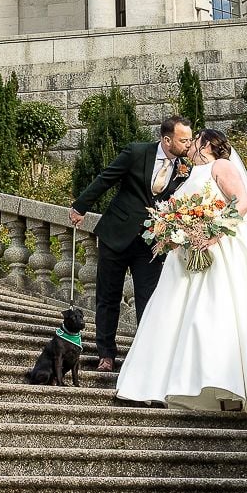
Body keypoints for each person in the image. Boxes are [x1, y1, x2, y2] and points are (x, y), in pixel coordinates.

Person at [114, 127, 247, 421]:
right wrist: (173, 232)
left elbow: (241, 203)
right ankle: (166, 384)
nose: (191, 145)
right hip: (186, 256)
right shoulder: (190, 173)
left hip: (220, 252)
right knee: (174, 318)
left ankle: (227, 386)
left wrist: (212, 233)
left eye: (195, 140)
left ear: (206, 143)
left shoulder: (221, 166)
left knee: (212, 318)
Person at [69, 115, 194, 370]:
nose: (189, 144)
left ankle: (145, 357)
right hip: (116, 234)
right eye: (184, 140)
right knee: (108, 297)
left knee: (148, 300)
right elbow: (106, 178)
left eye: (190, 140)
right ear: (167, 140)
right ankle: (106, 355)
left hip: (151, 243)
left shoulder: (186, 169)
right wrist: (80, 207)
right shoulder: (137, 152)